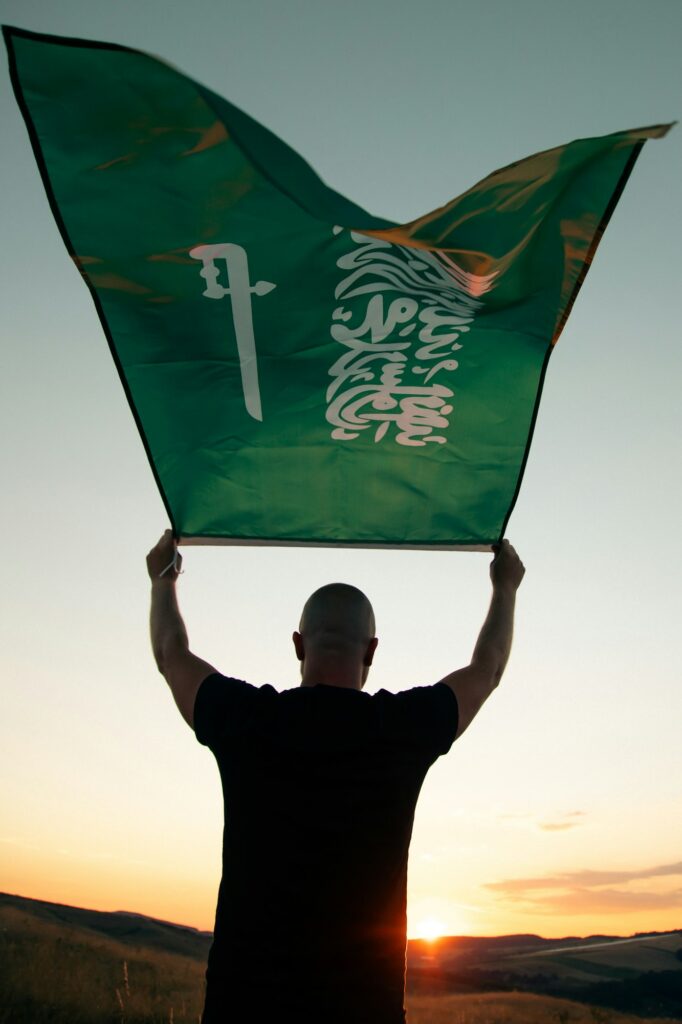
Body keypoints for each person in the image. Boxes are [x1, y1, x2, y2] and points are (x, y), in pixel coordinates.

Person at [147, 531, 525, 1024]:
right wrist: (505, 588)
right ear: (371, 651)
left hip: (243, 1006)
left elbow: (170, 654)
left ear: (298, 644)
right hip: (363, 1008)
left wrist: (163, 580)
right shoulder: (402, 728)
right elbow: (487, 668)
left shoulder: (246, 719)